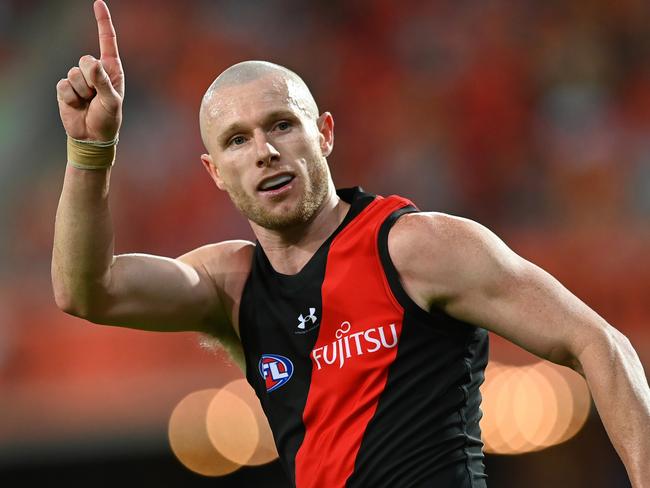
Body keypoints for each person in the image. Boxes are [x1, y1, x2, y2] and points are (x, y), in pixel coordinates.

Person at [52, 2, 649, 487]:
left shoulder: (414, 247)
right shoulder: (229, 285)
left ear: (325, 134)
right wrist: (90, 150)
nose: (265, 151)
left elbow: (598, 342)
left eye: (282, 124)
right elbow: (87, 291)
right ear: (214, 171)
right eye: (238, 140)